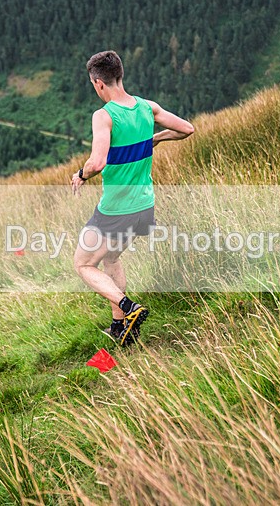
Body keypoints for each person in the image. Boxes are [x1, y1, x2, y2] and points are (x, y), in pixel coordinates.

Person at [71, 50, 195, 346]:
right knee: (111, 257)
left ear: (98, 83)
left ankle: (129, 308)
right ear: (120, 75)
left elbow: (97, 162)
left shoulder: (104, 116)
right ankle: (120, 328)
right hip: (144, 206)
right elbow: (187, 129)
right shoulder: (147, 107)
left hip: (116, 209)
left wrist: (81, 174)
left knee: (83, 264)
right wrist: (156, 138)